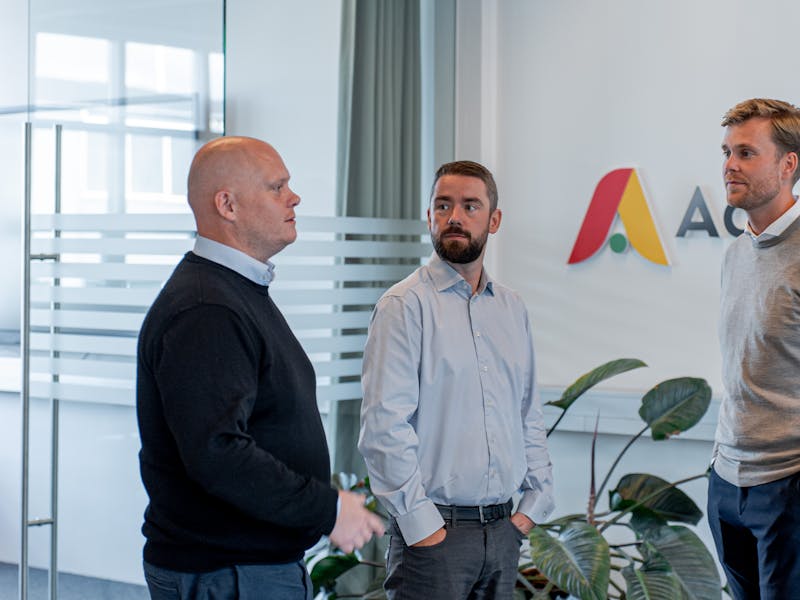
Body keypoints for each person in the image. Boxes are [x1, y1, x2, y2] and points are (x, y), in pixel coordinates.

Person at [136, 136, 384, 600]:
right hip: (229, 575)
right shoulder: (207, 308)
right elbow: (218, 452)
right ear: (227, 205)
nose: (294, 198)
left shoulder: (232, 292)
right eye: (277, 187)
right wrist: (326, 509)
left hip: (244, 571)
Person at [358, 160, 555, 599]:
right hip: (434, 539)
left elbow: (528, 413)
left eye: (470, 206)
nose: (455, 218)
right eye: (443, 206)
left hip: (503, 533)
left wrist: (532, 507)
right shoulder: (403, 306)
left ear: (494, 219)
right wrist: (422, 526)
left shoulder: (511, 308)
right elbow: (383, 429)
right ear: (429, 216)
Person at [709, 98, 800, 599]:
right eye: (726, 152)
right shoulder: (736, 253)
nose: (729, 165)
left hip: (789, 486)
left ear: (788, 164)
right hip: (726, 482)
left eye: (746, 152)